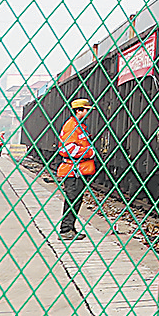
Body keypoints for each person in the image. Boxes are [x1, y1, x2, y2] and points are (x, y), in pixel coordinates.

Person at [57, 101, 96, 240]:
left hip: (78, 170)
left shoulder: (79, 126)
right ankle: (65, 230)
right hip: (73, 171)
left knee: (76, 200)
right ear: (78, 111)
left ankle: (70, 229)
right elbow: (68, 149)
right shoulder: (71, 127)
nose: (88, 112)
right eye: (86, 110)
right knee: (72, 199)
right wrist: (89, 153)